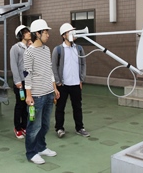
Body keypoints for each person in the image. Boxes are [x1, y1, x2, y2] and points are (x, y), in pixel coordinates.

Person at [24, 19, 60, 165]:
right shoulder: (29, 53)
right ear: (37, 34)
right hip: (36, 96)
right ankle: (31, 153)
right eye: (45, 32)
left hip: (48, 93)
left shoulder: (47, 50)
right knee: (34, 126)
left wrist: (54, 88)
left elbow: (49, 70)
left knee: (45, 125)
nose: (48, 35)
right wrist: (28, 95)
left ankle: (41, 147)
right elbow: (27, 74)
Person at [52, 23, 90, 138]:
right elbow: (54, 67)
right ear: (64, 35)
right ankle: (59, 128)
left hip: (76, 84)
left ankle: (80, 128)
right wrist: (58, 82)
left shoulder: (79, 49)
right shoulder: (58, 50)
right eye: (70, 31)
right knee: (60, 107)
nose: (74, 33)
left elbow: (83, 63)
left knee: (77, 107)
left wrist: (81, 79)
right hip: (62, 84)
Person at [10, 25, 31, 139]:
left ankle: (24, 126)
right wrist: (17, 81)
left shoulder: (29, 47)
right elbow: (13, 65)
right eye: (26, 32)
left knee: (26, 104)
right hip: (20, 83)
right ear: (21, 35)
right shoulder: (15, 48)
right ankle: (17, 127)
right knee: (20, 104)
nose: (29, 33)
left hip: (28, 82)